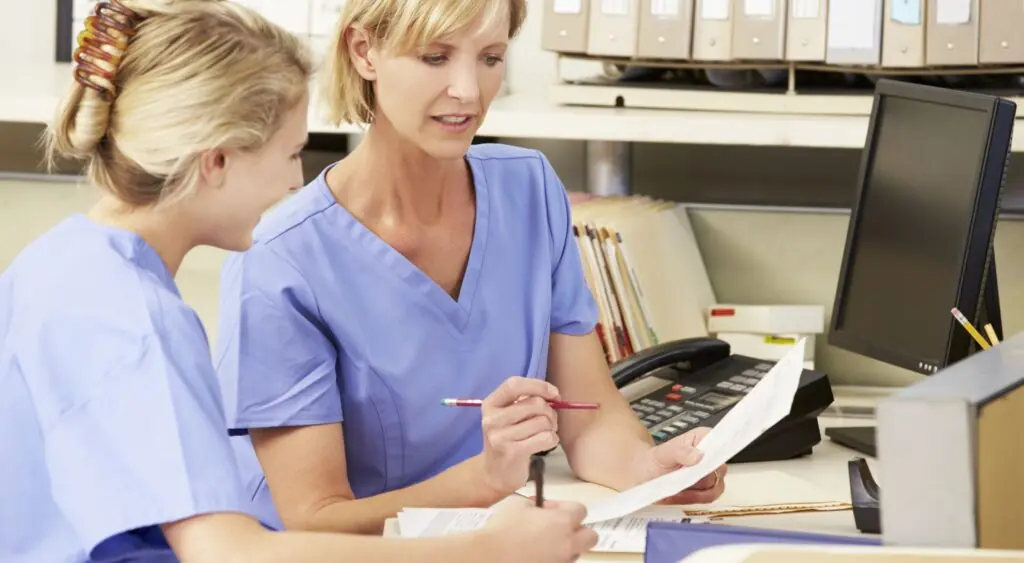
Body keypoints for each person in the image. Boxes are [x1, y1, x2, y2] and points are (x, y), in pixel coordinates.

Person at [0, 1, 598, 562]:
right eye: (292, 154)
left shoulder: (62, 262)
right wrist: (488, 551)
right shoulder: (136, 318)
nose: (295, 184)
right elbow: (230, 552)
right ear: (218, 162)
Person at [213, 0, 728, 536]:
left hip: (488, 535)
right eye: (435, 57)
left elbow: (590, 417)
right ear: (364, 51)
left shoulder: (529, 188)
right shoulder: (281, 260)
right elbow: (315, 520)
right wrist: (487, 477)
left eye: (490, 57)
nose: (469, 90)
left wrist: (650, 471)